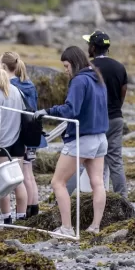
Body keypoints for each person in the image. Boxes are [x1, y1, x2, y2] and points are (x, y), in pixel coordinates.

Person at [33, 46, 108, 237]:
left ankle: (66, 227)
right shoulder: (97, 78)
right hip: (100, 138)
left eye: (66, 66)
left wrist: (48, 111)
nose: (65, 70)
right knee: (97, 182)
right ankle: (95, 227)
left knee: (58, 182)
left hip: (82, 139)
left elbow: (71, 110)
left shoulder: (79, 80)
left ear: (74, 63)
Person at [80, 30, 130, 197]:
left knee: (84, 159)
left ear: (93, 48)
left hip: (94, 120)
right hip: (115, 118)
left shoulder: (88, 68)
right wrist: (116, 108)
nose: (88, 47)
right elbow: (123, 92)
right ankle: (122, 199)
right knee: (115, 161)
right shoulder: (119, 67)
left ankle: (87, 197)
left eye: (89, 45)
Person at [0, 60, 27, 224]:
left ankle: (7, 219)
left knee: (4, 184)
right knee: (18, 181)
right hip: (18, 142)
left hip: (1, 143)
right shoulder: (16, 91)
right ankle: (22, 218)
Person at [0, 51, 40, 218]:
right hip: (33, 134)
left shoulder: (9, 87)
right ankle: (33, 210)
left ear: (3, 66)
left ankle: (22, 213)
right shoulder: (29, 84)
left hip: (18, 137)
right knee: (28, 174)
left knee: (19, 177)